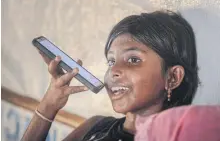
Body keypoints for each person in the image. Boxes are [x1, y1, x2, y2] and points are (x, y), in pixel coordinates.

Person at [21, 10, 199, 141]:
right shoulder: (95, 126)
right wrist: (49, 106)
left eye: (133, 59)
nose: (113, 71)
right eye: (112, 61)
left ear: (173, 77)